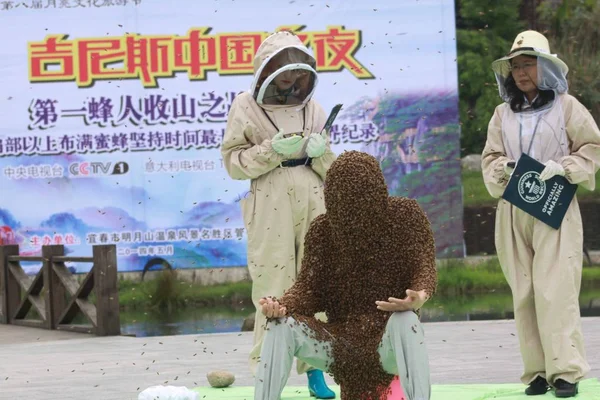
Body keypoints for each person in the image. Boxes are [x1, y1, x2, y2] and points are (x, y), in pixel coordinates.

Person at [253, 150, 437, 400]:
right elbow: (309, 289)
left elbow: (423, 266)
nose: (354, 208)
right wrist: (280, 306)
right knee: (279, 325)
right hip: (338, 343)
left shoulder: (406, 214)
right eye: (345, 201)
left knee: (407, 320)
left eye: (361, 198)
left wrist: (420, 296)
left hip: (387, 340)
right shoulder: (322, 230)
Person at [482, 30, 600, 397]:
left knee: (557, 289)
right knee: (524, 290)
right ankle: (535, 371)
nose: (520, 72)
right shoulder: (502, 113)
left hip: (555, 205)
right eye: (515, 66)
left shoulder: (567, 106)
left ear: (545, 66)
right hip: (514, 208)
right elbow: (490, 158)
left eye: (528, 63)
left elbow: (592, 146)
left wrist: (565, 167)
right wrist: (504, 168)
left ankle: (565, 371)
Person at [220, 30, 336, 398]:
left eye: (295, 69)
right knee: (273, 281)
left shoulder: (314, 108)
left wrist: (320, 152)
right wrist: (269, 151)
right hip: (269, 196)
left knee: (317, 281)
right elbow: (234, 164)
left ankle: (316, 368)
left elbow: (330, 168)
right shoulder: (244, 106)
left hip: (313, 194)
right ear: (266, 68)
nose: (289, 77)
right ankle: (268, 372)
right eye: (282, 69)